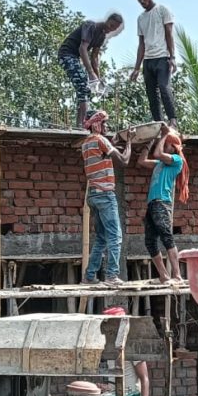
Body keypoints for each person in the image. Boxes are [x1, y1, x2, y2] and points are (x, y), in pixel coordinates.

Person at [80, 110, 132, 285]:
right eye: (104, 124)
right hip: (105, 195)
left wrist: (112, 144)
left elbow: (102, 155)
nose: (107, 126)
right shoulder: (100, 140)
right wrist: (130, 141)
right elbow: (124, 161)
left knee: (101, 238)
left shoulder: (86, 143)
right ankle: (111, 275)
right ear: (97, 125)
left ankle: (89, 276)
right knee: (115, 237)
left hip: (93, 195)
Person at [138, 127, 188, 283]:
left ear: (172, 147)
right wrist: (150, 142)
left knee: (166, 237)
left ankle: (177, 275)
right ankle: (164, 275)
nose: (163, 144)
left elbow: (158, 153)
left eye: (166, 143)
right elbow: (141, 161)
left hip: (162, 202)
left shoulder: (176, 161)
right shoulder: (160, 163)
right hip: (153, 204)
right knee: (150, 241)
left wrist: (165, 135)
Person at [58, 13, 125, 128]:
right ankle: (81, 125)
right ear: (107, 20)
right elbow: (82, 48)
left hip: (75, 58)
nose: (111, 29)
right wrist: (90, 73)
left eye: (114, 29)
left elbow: (94, 57)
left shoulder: (102, 36)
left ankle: (80, 125)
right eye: (111, 25)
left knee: (85, 89)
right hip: (66, 54)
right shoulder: (90, 26)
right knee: (83, 85)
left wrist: (98, 79)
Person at [129, 0, 179, 128]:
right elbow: (141, 44)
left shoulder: (163, 10)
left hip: (162, 57)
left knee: (164, 87)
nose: (142, 1)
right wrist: (137, 68)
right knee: (152, 94)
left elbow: (169, 34)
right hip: (148, 60)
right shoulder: (141, 18)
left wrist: (172, 57)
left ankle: (173, 120)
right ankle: (159, 122)